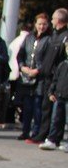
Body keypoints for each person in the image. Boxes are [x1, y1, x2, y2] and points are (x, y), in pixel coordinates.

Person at [15, 14, 54, 142]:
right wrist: (22, 67)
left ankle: (36, 132)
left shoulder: (49, 39)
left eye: (44, 24)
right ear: (35, 24)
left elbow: (49, 59)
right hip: (26, 77)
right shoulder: (29, 37)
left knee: (38, 107)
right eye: (39, 24)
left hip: (40, 78)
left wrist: (37, 70)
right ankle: (25, 131)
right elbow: (20, 54)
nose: (42, 26)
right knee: (27, 107)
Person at [38, 9, 68, 150]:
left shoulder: (64, 36)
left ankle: (56, 138)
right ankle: (52, 139)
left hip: (61, 84)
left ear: (59, 20)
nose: (51, 22)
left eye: (53, 19)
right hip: (56, 84)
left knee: (60, 115)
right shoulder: (55, 35)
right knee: (55, 115)